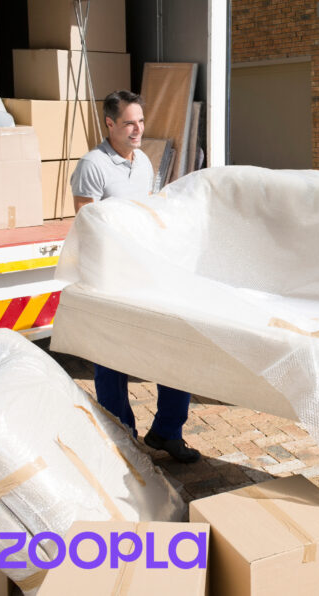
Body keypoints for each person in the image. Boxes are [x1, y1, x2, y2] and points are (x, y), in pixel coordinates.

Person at [71, 90, 200, 464]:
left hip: (145, 274)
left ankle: (167, 431)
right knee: (112, 361)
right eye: (129, 123)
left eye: (140, 121)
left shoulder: (142, 161)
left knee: (172, 347)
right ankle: (122, 439)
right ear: (109, 123)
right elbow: (87, 227)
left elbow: (145, 213)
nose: (138, 129)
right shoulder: (92, 165)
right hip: (109, 278)